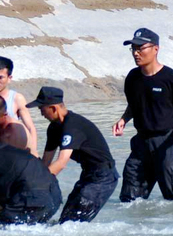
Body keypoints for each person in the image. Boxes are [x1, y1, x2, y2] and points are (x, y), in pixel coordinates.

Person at [112, 28, 173, 202]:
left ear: (155, 49)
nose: (136, 53)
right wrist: (123, 119)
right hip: (141, 142)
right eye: (133, 48)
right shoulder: (132, 78)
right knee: (130, 199)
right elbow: (134, 105)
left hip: (167, 142)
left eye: (140, 48)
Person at [27, 87, 118, 223]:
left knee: (74, 223)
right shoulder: (53, 128)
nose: (41, 114)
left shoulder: (72, 126)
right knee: (64, 221)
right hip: (88, 174)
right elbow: (46, 163)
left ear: (53, 108)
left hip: (103, 177)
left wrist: (37, 184)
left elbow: (62, 162)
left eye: (41, 109)